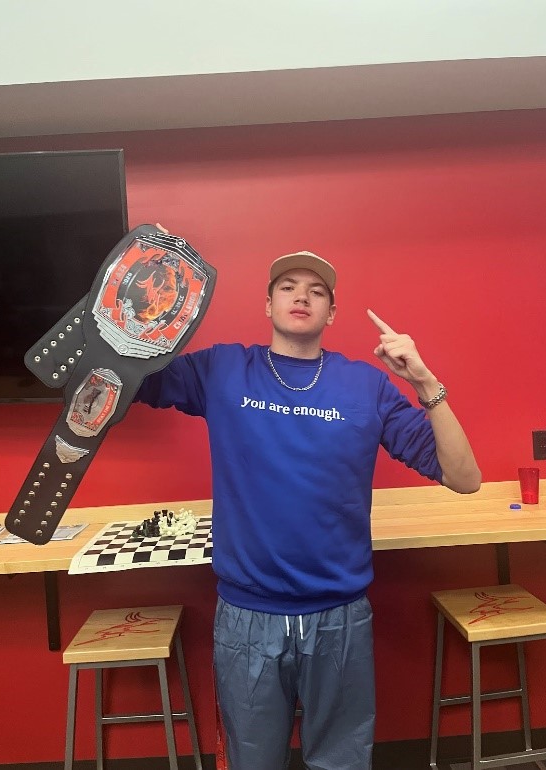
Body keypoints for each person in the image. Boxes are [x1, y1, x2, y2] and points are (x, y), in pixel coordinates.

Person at [135, 245, 481, 770]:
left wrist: (425, 383)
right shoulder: (224, 369)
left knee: (341, 763)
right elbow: (129, 379)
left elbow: (464, 478)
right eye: (289, 287)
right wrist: (141, 279)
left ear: (332, 314)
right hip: (247, 618)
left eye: (317, 291)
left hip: (339, 618)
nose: (302, 296)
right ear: (268, 304)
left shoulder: (366, 386)